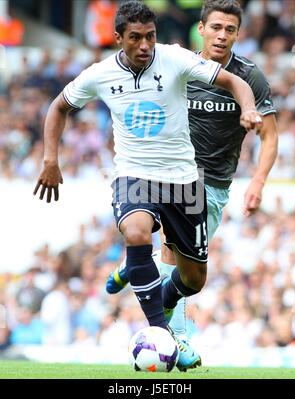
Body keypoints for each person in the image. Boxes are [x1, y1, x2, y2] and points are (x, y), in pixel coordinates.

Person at [34, 0, 262, 371]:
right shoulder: (100, 73)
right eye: (136, 38)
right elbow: (59, 106)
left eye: (150, 37)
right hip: (134, 174)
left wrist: (247, 108)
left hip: (184, 181)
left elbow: (232, 80)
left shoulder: (173, 58)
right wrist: (50, 159)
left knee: (194, 279)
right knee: (137, 232)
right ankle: (162, 332)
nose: (144, 46)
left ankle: (142, 278)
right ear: (119, 37)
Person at [105, 0, 278, 363]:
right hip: (172, 174)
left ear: (237, 34)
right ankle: (175, 339)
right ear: (201, 28)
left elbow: (270, 135)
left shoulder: (249, 77)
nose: (222, 35)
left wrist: (258, 182)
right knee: (172, 254)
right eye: (216, 27)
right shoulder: (179, 67)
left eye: (230, 29)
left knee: (189, 272)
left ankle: (138, 264)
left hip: (213, 183)